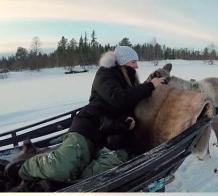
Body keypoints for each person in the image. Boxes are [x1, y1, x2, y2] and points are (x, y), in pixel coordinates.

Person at [14, 46, 166, 185]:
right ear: (123, 61)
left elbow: (126, 103)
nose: (137, 66)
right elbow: (119, 98)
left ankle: (73, 184)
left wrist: (126, 119)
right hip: (88, 128)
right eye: (133, 62)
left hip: (108, 135)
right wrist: (150, 85)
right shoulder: (105, 74)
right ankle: (25, 166)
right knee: (61, 168)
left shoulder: (128, 78)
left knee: (96, 174)